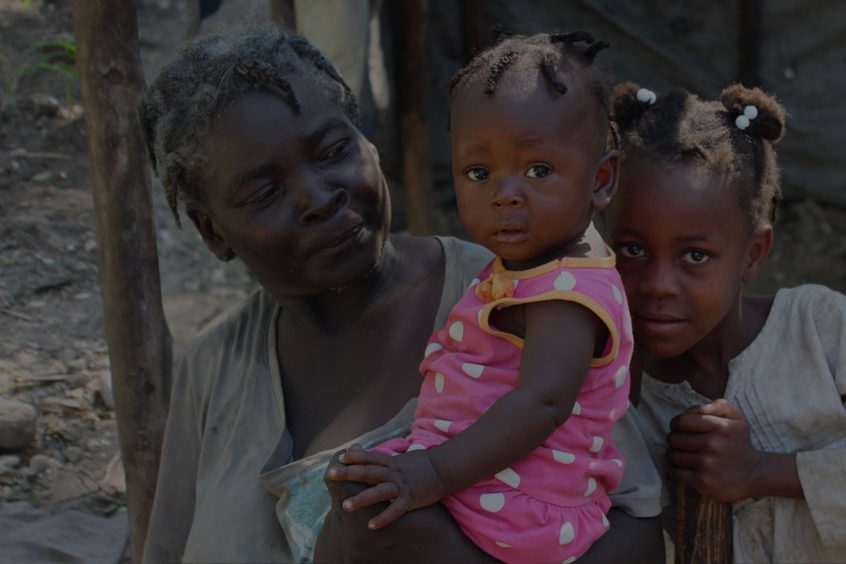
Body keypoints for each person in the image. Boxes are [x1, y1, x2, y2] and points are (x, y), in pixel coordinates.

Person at [138, 26, 662, 563]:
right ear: (212, 231)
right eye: (265, 192)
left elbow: (640, 538)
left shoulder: (519, 298)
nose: (318, 198)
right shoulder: (212, 371)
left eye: (334, 150)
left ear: (369, 142)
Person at [604, 82, 846, 562]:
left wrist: (762, 471)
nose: (658, 284)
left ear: (754, 254)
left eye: (696, 255)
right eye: (632, 250)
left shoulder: (816, 327)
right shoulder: (605, 386)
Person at [322, 31, 654, 564]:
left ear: (601, 179)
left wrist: (431, 472)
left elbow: (541, 404)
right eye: (479, 173)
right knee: (351, 491)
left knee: (363, 503)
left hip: (522, 500)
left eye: (538, 170)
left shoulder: (569, 294)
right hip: (481, 472)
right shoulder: (533, 265)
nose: (505, 194)